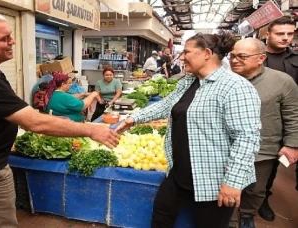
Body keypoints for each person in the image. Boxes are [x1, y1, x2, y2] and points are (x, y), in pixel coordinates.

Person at [0, 12, 120, 228]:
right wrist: (90, 130)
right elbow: (35, 122)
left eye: (11, 36)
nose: (12, 41)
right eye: (4, 38)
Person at [115, 32, 261, 228]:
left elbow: (246, 138)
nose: (181, 57)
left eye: (187, 52)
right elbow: (167, 104)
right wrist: (133, 119)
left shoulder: (235, 87)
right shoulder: (188, 81)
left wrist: (233, 183)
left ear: (207, 53)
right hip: (180, 171)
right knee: (161, 215)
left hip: (214, 177)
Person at [229, 38, 298, 228]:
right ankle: (231, 219)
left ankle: (247, 215)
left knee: (256, 188)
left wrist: (292, 145)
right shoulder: (224, 79)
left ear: (261, 58)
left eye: (241, 56)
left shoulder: (282, 81)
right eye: (232, 56)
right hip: (227, 146)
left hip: (264, 148)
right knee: (227, 186)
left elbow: (293, 115)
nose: (235, 60)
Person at [259, 16, 298, 221]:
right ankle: (248, 199)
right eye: (280, 33)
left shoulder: (295, 61)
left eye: (290, 34)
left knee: (273, 165)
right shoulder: (254, 57)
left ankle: (263, 198)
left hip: (285, 124)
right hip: (257, 120)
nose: (285, 38)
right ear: (268, 34)